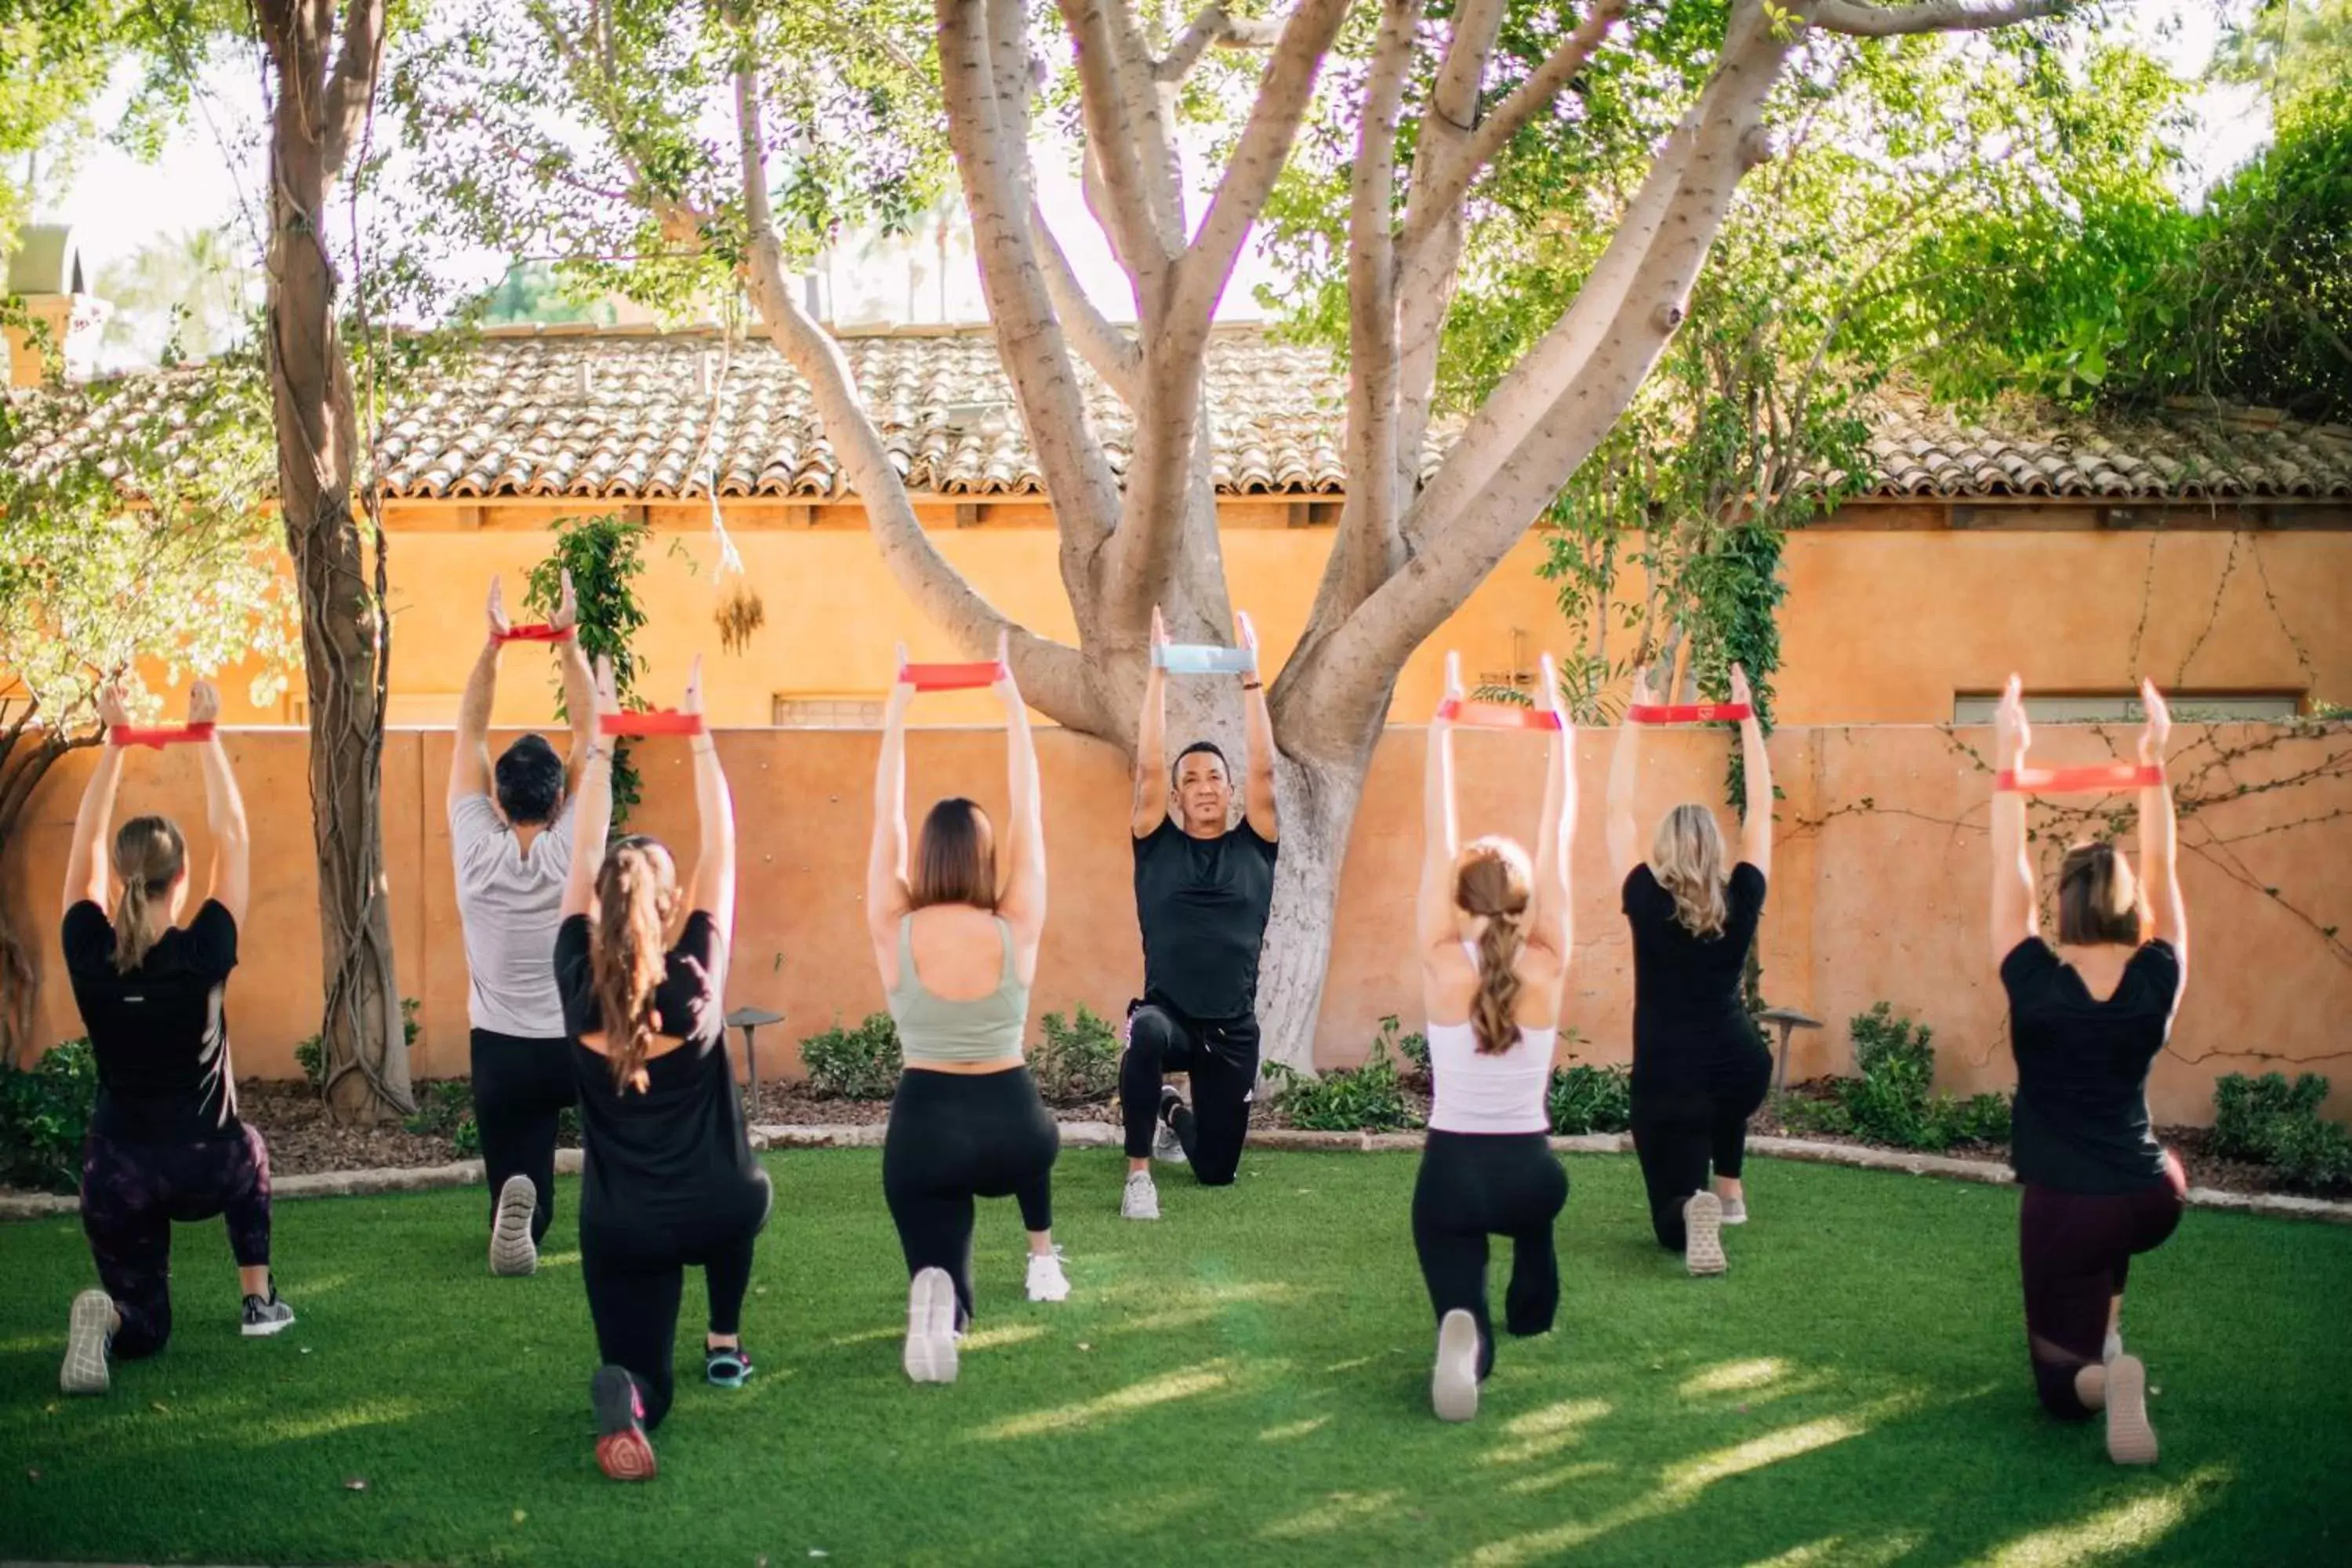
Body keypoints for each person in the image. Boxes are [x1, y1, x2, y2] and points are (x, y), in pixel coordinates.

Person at [556, 655, 767, 1482]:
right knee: (754, 1187)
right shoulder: (697, 981)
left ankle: (631, 1394)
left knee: (647, 1381)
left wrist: (602, 739)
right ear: (671, 907)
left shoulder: (576, 981)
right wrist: (699, 732)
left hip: (622, 1227)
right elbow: (724, 844)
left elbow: (581, 854)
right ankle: (724, 1339)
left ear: (600, 905)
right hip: (718, 1207)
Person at [58, 681, 292, 1398]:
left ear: (122, 881)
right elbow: (238, 837)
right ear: (181, 880)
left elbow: (85, 843)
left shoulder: (88, 948)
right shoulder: (203, 952)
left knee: (148, 1329)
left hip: (116, 1171)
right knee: (251, 1149)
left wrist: (115, 743)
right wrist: (207, 735)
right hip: (205, 1165)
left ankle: (115, 1319)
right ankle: (258, 1302)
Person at [1989, 676, 2186, 1466]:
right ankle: (2109, 1329)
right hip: (2151, 1193)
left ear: (2061, 908)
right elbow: (2166, 867)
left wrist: (2011, 757)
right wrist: (2153, 761)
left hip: (2067, 1206)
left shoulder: (2033, 978)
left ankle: (2107, 1379)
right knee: (2122, 1208)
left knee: (2055, 1389)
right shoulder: (2155, 976)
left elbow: (2009, 865)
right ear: (2128, 904)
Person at [869, 633, 1066, 1385]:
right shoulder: (1015, 922)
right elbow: (1030, 812)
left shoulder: (896, 927)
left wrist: (898, 709)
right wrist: (1012, 705)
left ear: (923, 859)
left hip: (924, 1126)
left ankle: (940, 1298)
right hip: (1017, 1132)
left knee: (937, 1234)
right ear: (987, 862)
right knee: (1008, 1163)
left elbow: (885, 817)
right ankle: (1024, 1265)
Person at [1414, 655, 1575, 1422]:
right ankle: (1532, 1291)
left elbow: (1435, 831)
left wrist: (1443, 729)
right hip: (1530, 1169)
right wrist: (1559, 732)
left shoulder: (1443, 960)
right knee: (1534, 1242)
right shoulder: (1546, 963)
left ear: (1457, 896)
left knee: (1455, 1258)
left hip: (1453, 1169)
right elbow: (1559, 834)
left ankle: (1467, 1334)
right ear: (1526, 898)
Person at [1606, 663, 1773, 1276]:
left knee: (1667, 1213)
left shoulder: (1647, 900)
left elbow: (1616, 810)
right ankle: (1728, 1189)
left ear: (1663, 850)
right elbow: (1761, 812)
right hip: (1740, 1069)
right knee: (1724, 1096)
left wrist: (1636, 717)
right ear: (1717, 850)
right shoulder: (1742, 897)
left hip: (1667, 1083)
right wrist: (1746, 719)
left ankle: (1695, 1208)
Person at [449, 572, 594, 1276]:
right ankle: (623, 1195)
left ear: (499, 801)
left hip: (501, 1053)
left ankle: (522, 1210)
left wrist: (494, 644)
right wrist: (564, 639)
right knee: (620, 1125)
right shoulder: (575, 845)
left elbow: (469, 732)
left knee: (518, 1165)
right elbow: (592, 734)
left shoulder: (477, 848)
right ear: (562, 798)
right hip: (576, 1044)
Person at [1119, 607, 1279, 1221]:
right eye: (1193, 779)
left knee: (1217, 1172)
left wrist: (1251, 678)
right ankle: (1138, 1179)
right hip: (1171, 1017)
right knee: (1146, 1033)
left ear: (1231, 790)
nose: (1205, 785)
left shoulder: (1255, 846)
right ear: (1179, 796)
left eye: (1216, 776)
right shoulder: (1156, 844)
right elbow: (1148, 769)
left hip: (1232, 1029)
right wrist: (1158, 674)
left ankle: (1169, 1110)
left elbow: (1265, 770)